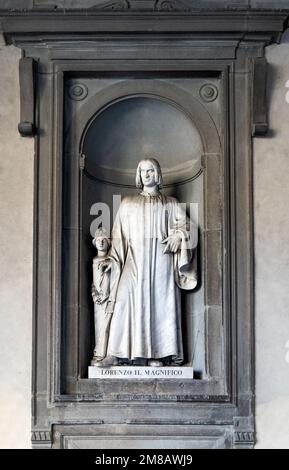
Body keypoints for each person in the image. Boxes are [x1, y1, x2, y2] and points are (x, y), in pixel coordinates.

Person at [105, 158, 198, 366]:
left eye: (150, 170)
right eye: (142, 171)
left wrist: (180, 235)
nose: (146, 174)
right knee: (122, 301)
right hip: (134, 259)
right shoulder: (127, 203)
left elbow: (189, 226)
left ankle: (157, 354)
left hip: (161, 260)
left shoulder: (171, 203)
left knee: (160, 305)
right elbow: (118, 236)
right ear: (138, 175)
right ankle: (116, 352)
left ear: (157, 174)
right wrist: (111, 261)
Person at [91, 228, 115, 366]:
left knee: (107, 326)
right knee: (99, 325)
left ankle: (106, 352)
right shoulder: (95, 260)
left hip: (108, 299)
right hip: (98, 301)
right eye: (98, 240)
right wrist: (95, 294)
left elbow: (112, 281)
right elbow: (94, 282)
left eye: (103, 240)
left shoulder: (112, 261)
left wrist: (106, 295)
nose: (100, 243)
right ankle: (99, 352)